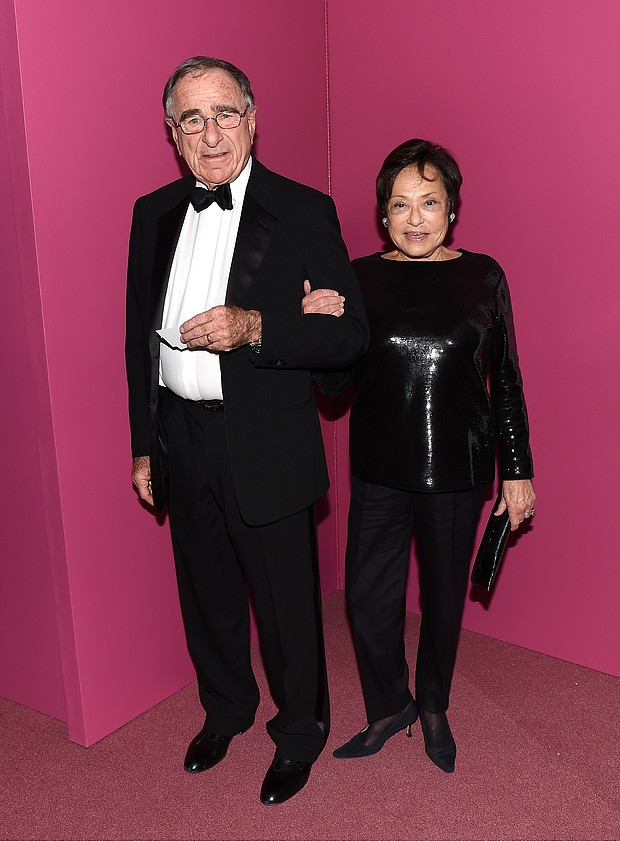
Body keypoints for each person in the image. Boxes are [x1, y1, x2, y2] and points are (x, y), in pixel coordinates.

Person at [125, 56, 369, 805]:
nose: (210, 132)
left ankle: (300, 732)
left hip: (266, 440)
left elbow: (350, 336)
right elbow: (136, 339)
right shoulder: (151, 213)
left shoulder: (303, 210)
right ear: (172, 133)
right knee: (207, 594)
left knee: (287, 604)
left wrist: (258, 326)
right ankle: (226, 709)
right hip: (181, 436)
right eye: (192, 119)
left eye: (224, 114)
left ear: (252, 121)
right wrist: (143, 443)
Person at [303, 138, 535, 773]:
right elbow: (332, 385)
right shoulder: (358, 277)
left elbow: (506, 380)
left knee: (443, 598)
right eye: (400, 204)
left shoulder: (484, 276)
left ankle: (433, 703)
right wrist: (320, 327)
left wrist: (517, 470)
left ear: (451, 209)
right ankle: (389, 706)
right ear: (383, 214)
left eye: (429, 203)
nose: (414, 218)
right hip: (379, 468)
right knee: (366, 599)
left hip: (458, 470)